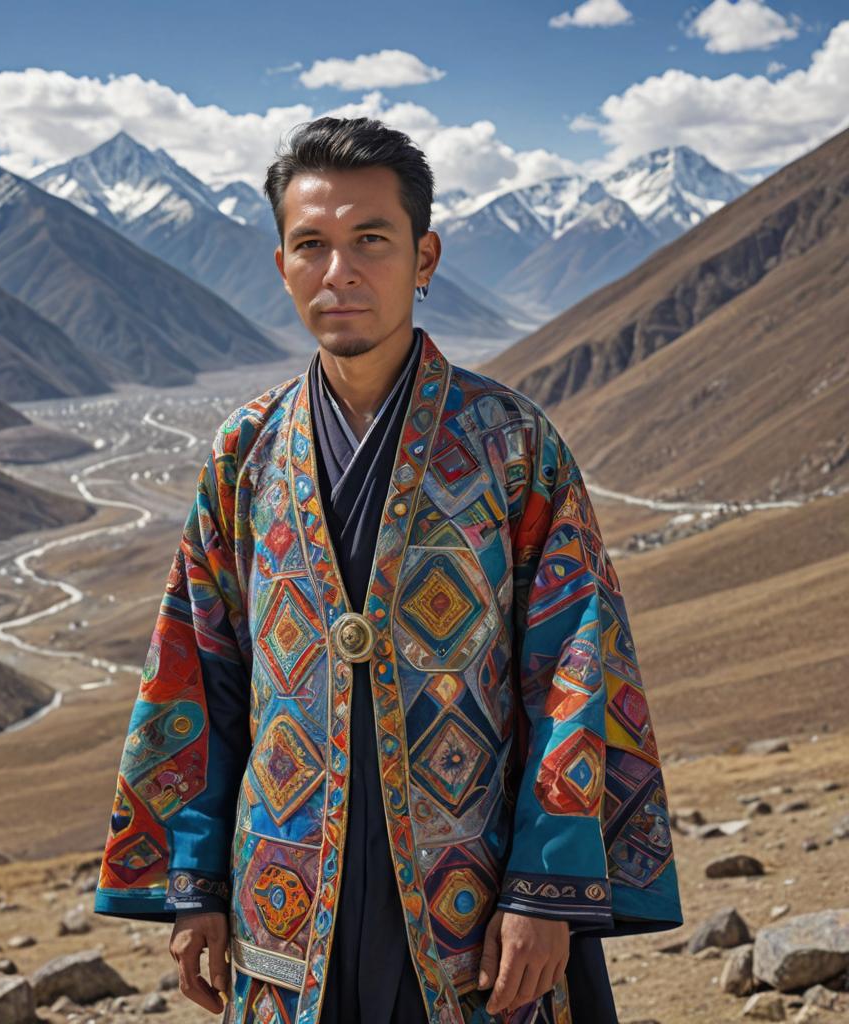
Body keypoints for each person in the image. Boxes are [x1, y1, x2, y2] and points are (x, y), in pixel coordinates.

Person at [92, 116, 684, 1024]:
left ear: (424, 257)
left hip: (474, 902)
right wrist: (194, 884)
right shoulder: (244, 453)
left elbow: (575, 669)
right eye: (312, 245)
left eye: (371, 240)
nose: (341, 273)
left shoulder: (512, 446)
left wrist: (543, 889)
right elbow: (197, 675)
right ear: (281, 265)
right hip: (280, 904)